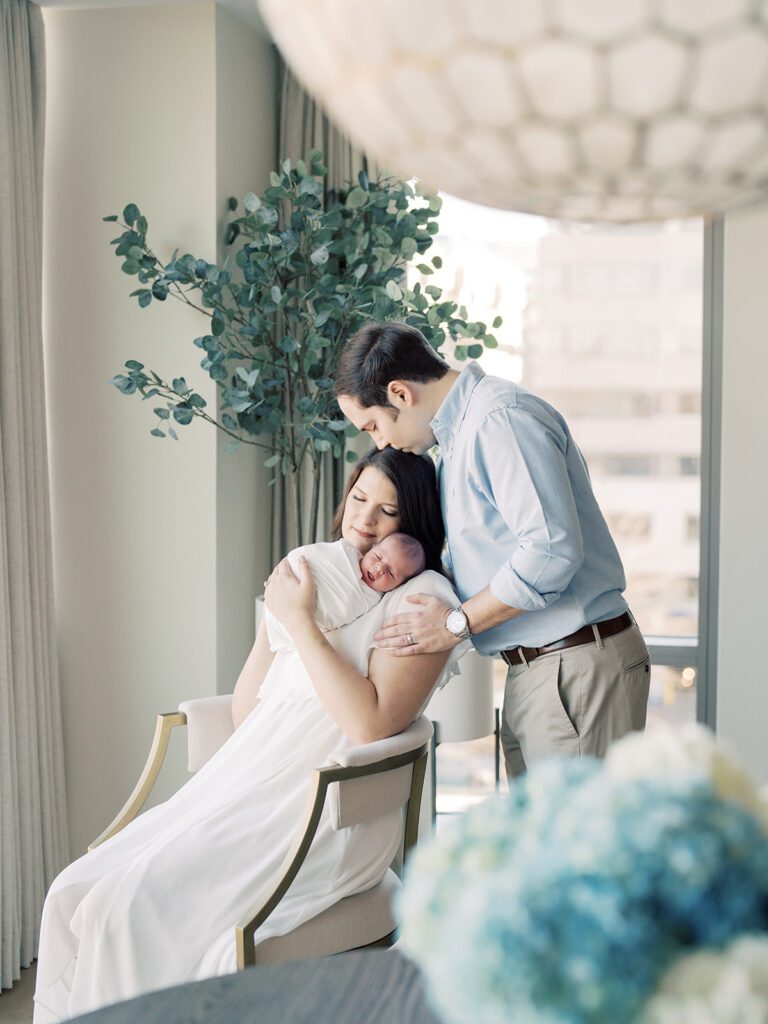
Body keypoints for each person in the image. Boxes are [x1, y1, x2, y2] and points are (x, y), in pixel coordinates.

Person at [33, 448, 461, 1023]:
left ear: (414, 523)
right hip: (250, 782)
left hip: (322, 813)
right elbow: (247, 713)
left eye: (388, 511)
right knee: (73, 891)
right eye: (360, 498)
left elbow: (371, 723)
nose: (365, 520)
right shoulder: (319, 573)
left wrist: (303, 622)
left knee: (124, 905)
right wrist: (277, 618)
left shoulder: (421, 596)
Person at [335, 322, 651, 779]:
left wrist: (454, 625)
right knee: (538, 844)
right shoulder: (459, 440)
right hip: (542, 668)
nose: (379, 443)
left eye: (373, 425)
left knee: (570, 848)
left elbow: (550, 552)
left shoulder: (497, 419)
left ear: (400, 394)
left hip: (573, 668)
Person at [265, 532, 426, 653]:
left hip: (303, 624)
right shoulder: (345, 553)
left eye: (391, 573)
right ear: (372, 548)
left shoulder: (374, 602)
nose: (379, 568)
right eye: (378, 557)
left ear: (398, 586)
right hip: (285, 588)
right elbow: (317, 556)